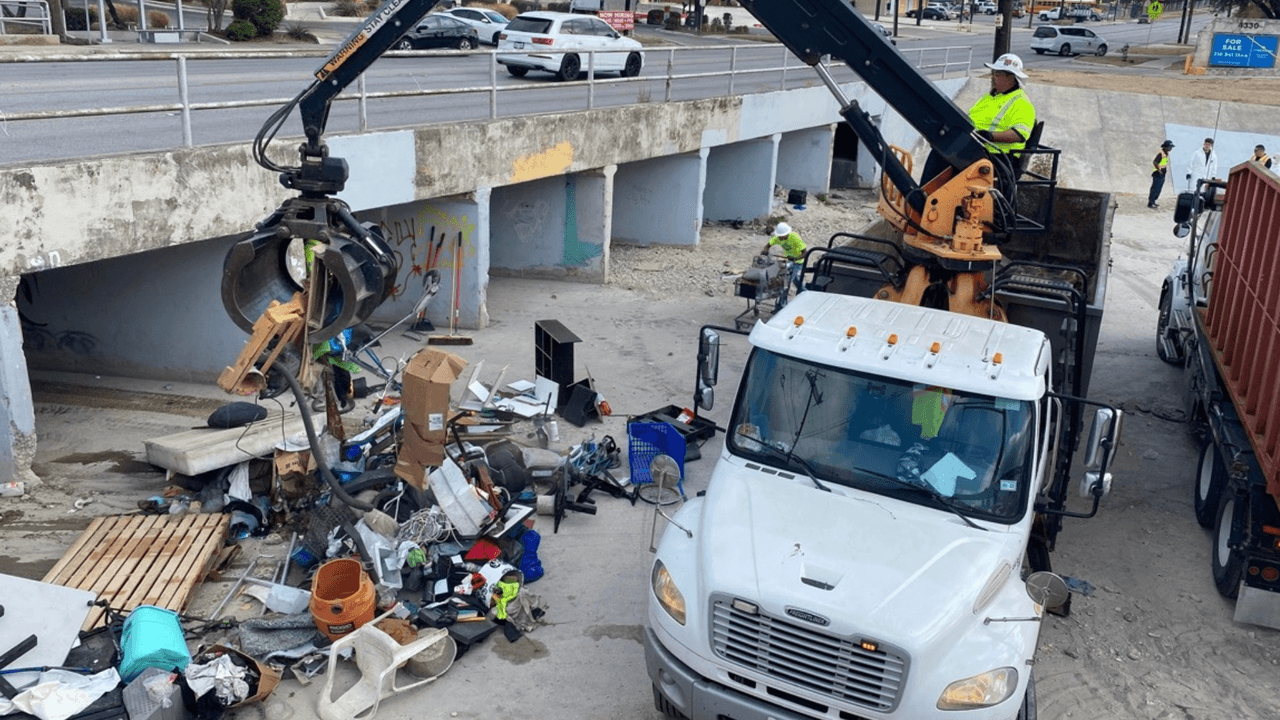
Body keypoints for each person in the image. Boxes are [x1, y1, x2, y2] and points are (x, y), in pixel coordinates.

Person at [920, 53, 1035, 183]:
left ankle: (924, 197)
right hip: (978, 148)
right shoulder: (990, 97)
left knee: (943, 155)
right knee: (941, 148)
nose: (993, 78)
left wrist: (990, 136)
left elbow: (1019, 134)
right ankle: (928, 195)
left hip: (997, 156)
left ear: (1011, 78)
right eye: (994, 73)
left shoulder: (1022, 103)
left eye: (998, 74)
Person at [761, 222, 806, 310]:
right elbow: (767, 246)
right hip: (789, 260)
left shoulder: (795, 237)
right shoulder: (777, 238)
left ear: (787, 233)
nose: (781, 238)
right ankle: (804, 292)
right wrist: (766, 251)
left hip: (798, 261)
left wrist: (796, 258)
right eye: (780, 236)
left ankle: (781, 305)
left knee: (786, 283)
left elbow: (805, 252)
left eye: (783, 236)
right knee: (794, 278)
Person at [1148, 139, 1174, 209]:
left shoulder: (1166, 154)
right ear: (1165, 147)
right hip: (1158, 174)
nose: (1170, 148)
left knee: (1159, 188)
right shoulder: (1161, 154)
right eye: (1169, 147)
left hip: (1162, 174)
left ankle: (1154, 201)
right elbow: (1155, 162)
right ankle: (1151, 202)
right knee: (1155, 188)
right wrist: (1159, 170)